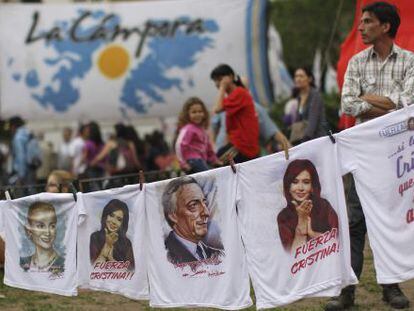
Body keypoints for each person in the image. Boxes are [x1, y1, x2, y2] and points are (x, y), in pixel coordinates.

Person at [325, 2, 414, 310]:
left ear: (385, 26)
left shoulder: (410, 61)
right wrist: (388, 104)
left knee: (390, 218)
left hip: (397, 155)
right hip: (363, 155)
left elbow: (408, 103)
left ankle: (392, 287)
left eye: (367, 21)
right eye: (361, 21)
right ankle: (347, 291)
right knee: (354, 221)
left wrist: (366, 99)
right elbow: (347, 105)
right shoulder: (356, 61)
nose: (360, 27)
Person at [277, 159, 338, 252]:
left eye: (306, 182)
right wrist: (301, 226)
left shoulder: (324, 206)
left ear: (312, 186)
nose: (300, 188)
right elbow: (291, 256)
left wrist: (312, 234)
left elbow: (338, 240)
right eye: (295, 182)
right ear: (288, 187)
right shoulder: (283, 216)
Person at [162, 176, 224, 264]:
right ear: (173, 216)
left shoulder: (218, 254)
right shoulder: (165, 258)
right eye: (194, 205)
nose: (206, 213)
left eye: (204, 203)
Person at [210, 64, 259, 163]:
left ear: (231, 77)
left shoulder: (239, 93)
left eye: (219, 79)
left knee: (216, 162)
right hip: (238, 145)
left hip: (243, 147)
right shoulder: (232, 97)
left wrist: (222, 87)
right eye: (215, 81)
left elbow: (217, 109)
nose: (217, 84)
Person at [175, 97, 221, 173]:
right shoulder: (188, 129)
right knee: (209, 176)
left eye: (200, 111)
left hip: (202, 160)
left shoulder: (202, 130)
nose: (197, 114)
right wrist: (182, 163)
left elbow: (208, 147)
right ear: (187, 114)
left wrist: (214, 160)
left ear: (204, 113)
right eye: (194, 112)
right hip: (193, 161)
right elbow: (179, 145)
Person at [90, 123, 140, 188]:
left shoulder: (112, 143)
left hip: (115, 174)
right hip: (129, 175)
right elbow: (135, 161)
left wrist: (92, 164)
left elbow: (99, 157)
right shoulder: (130, 143)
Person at [89, 199, 134, 270]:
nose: (113, 221)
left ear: (123, 223)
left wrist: (111, 259)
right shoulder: (95, 237)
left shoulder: (127, 243)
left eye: (119, 219)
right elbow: (93, 270)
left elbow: (131, 273)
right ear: (106, 215)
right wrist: (107, 245)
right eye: (111, 215)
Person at [20, 202, 64, 274]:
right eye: (41, 226)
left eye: (52, 226)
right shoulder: (22, 263)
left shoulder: (64, 264)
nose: (47, 232)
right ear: (29, 230)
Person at [288, 67, 327, 145]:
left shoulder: (315, 96)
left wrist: (303, 142)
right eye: (296, 76)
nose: (298, 79)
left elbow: (313, 121)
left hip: (317, 140)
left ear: (309, 79)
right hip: (305, 141)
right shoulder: (298, 98)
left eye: (301, 76)